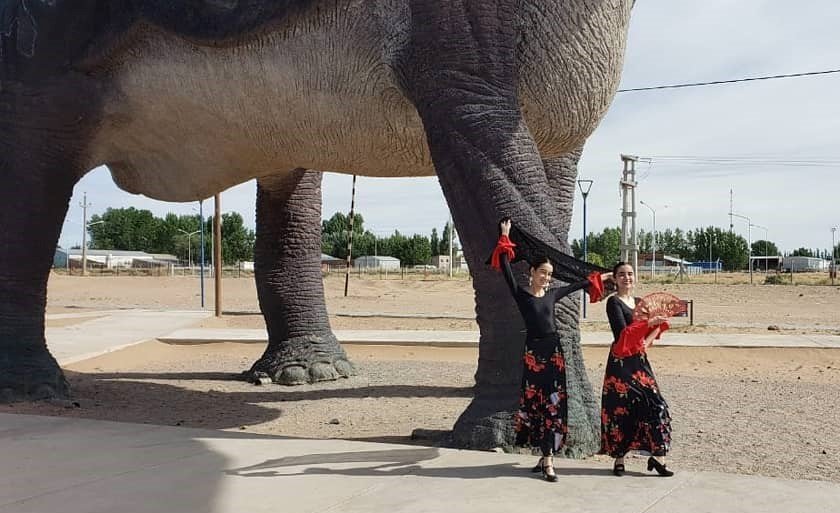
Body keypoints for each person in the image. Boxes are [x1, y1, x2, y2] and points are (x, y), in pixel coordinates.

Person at [491, 219, 611, 482]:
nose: (547, 277)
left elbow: (578, 285)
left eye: (549, 274)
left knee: (554, 405)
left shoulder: (551, 295)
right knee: (536, 404)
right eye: (543, 272)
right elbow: (504, 265)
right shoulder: (521, 295)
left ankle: (548, 458)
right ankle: (544, 454)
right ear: (532, 272)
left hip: (555, 354)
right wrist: (505, 234)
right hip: (534, 355)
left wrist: (601, 277)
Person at [601, 262, 674, 477]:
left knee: (657, 404)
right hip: (620, 363)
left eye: (630, 274)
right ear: (615, 279)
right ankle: (619, 458)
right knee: (621, 408)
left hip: (639, 361)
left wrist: (646, 342)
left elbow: (656, 327)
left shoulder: (641, 303)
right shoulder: (613, 302)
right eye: (622, 274)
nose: (627, 278)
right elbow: (622, 334)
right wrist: (648, 323)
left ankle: (658, 456)